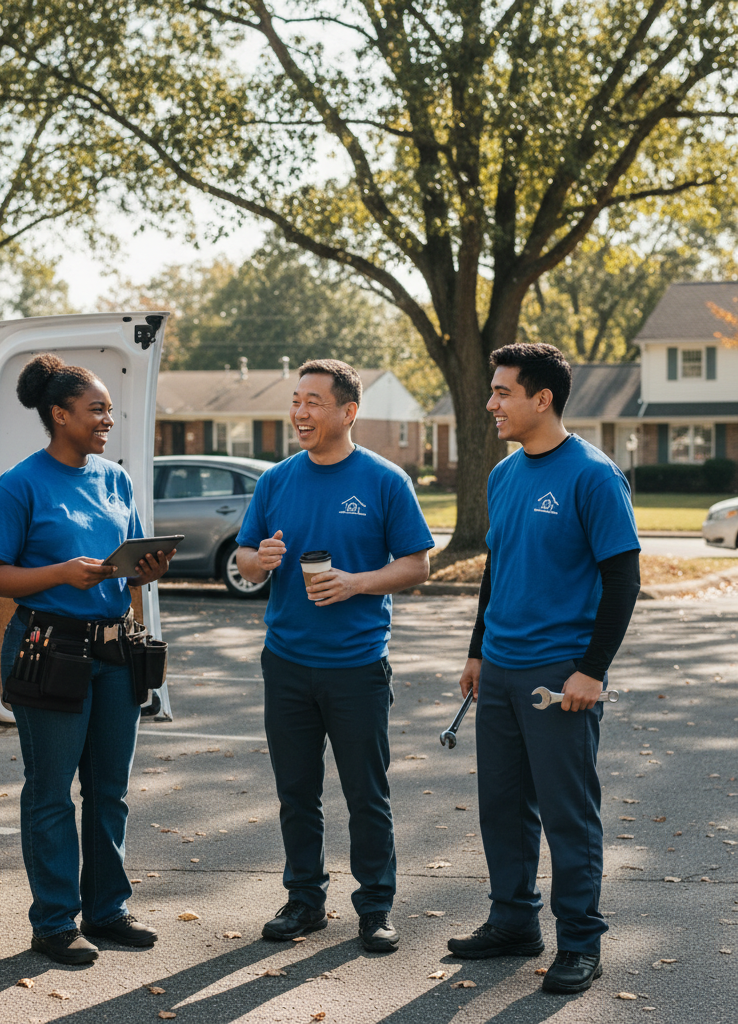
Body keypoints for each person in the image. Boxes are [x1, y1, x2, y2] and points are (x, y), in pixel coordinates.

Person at [448, 343, 641, 994]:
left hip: (559, 674)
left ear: (542, 399)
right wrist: (477, 650)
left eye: (502, 392)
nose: (490, 403)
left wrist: (592, 670)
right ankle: (513, 922)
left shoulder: (592, 474)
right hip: (499, 669)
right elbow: (495, 571)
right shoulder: (503, 476)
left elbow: (622, 578)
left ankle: (581, 943)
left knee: (567, 813)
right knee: (501, 806)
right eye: (493, 391)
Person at [0, 354, 174, 965]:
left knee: (109, 789)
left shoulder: (116, 480)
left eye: (110, 409)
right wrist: (61, 573)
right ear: (59, 416)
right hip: (48, 651)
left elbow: (130, 557)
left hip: (115, 652)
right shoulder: (20, 484)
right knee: (52, 792)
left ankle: (107, 911)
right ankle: (55, 922)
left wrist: (147, 570)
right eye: (96, 410)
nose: (107, 419)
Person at [235, 358, 433, 953]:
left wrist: (355, 583)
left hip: (356, 665)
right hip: (287, 661)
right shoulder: (276, 481)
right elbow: (244, 561)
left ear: (348, 412)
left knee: (365, 793)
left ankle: (375, 906)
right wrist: (260, 560)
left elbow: (417, 565)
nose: (299, 411)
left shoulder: (384, 481)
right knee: (296, 791)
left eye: (313, 401)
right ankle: (305, 900)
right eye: (295, 400)